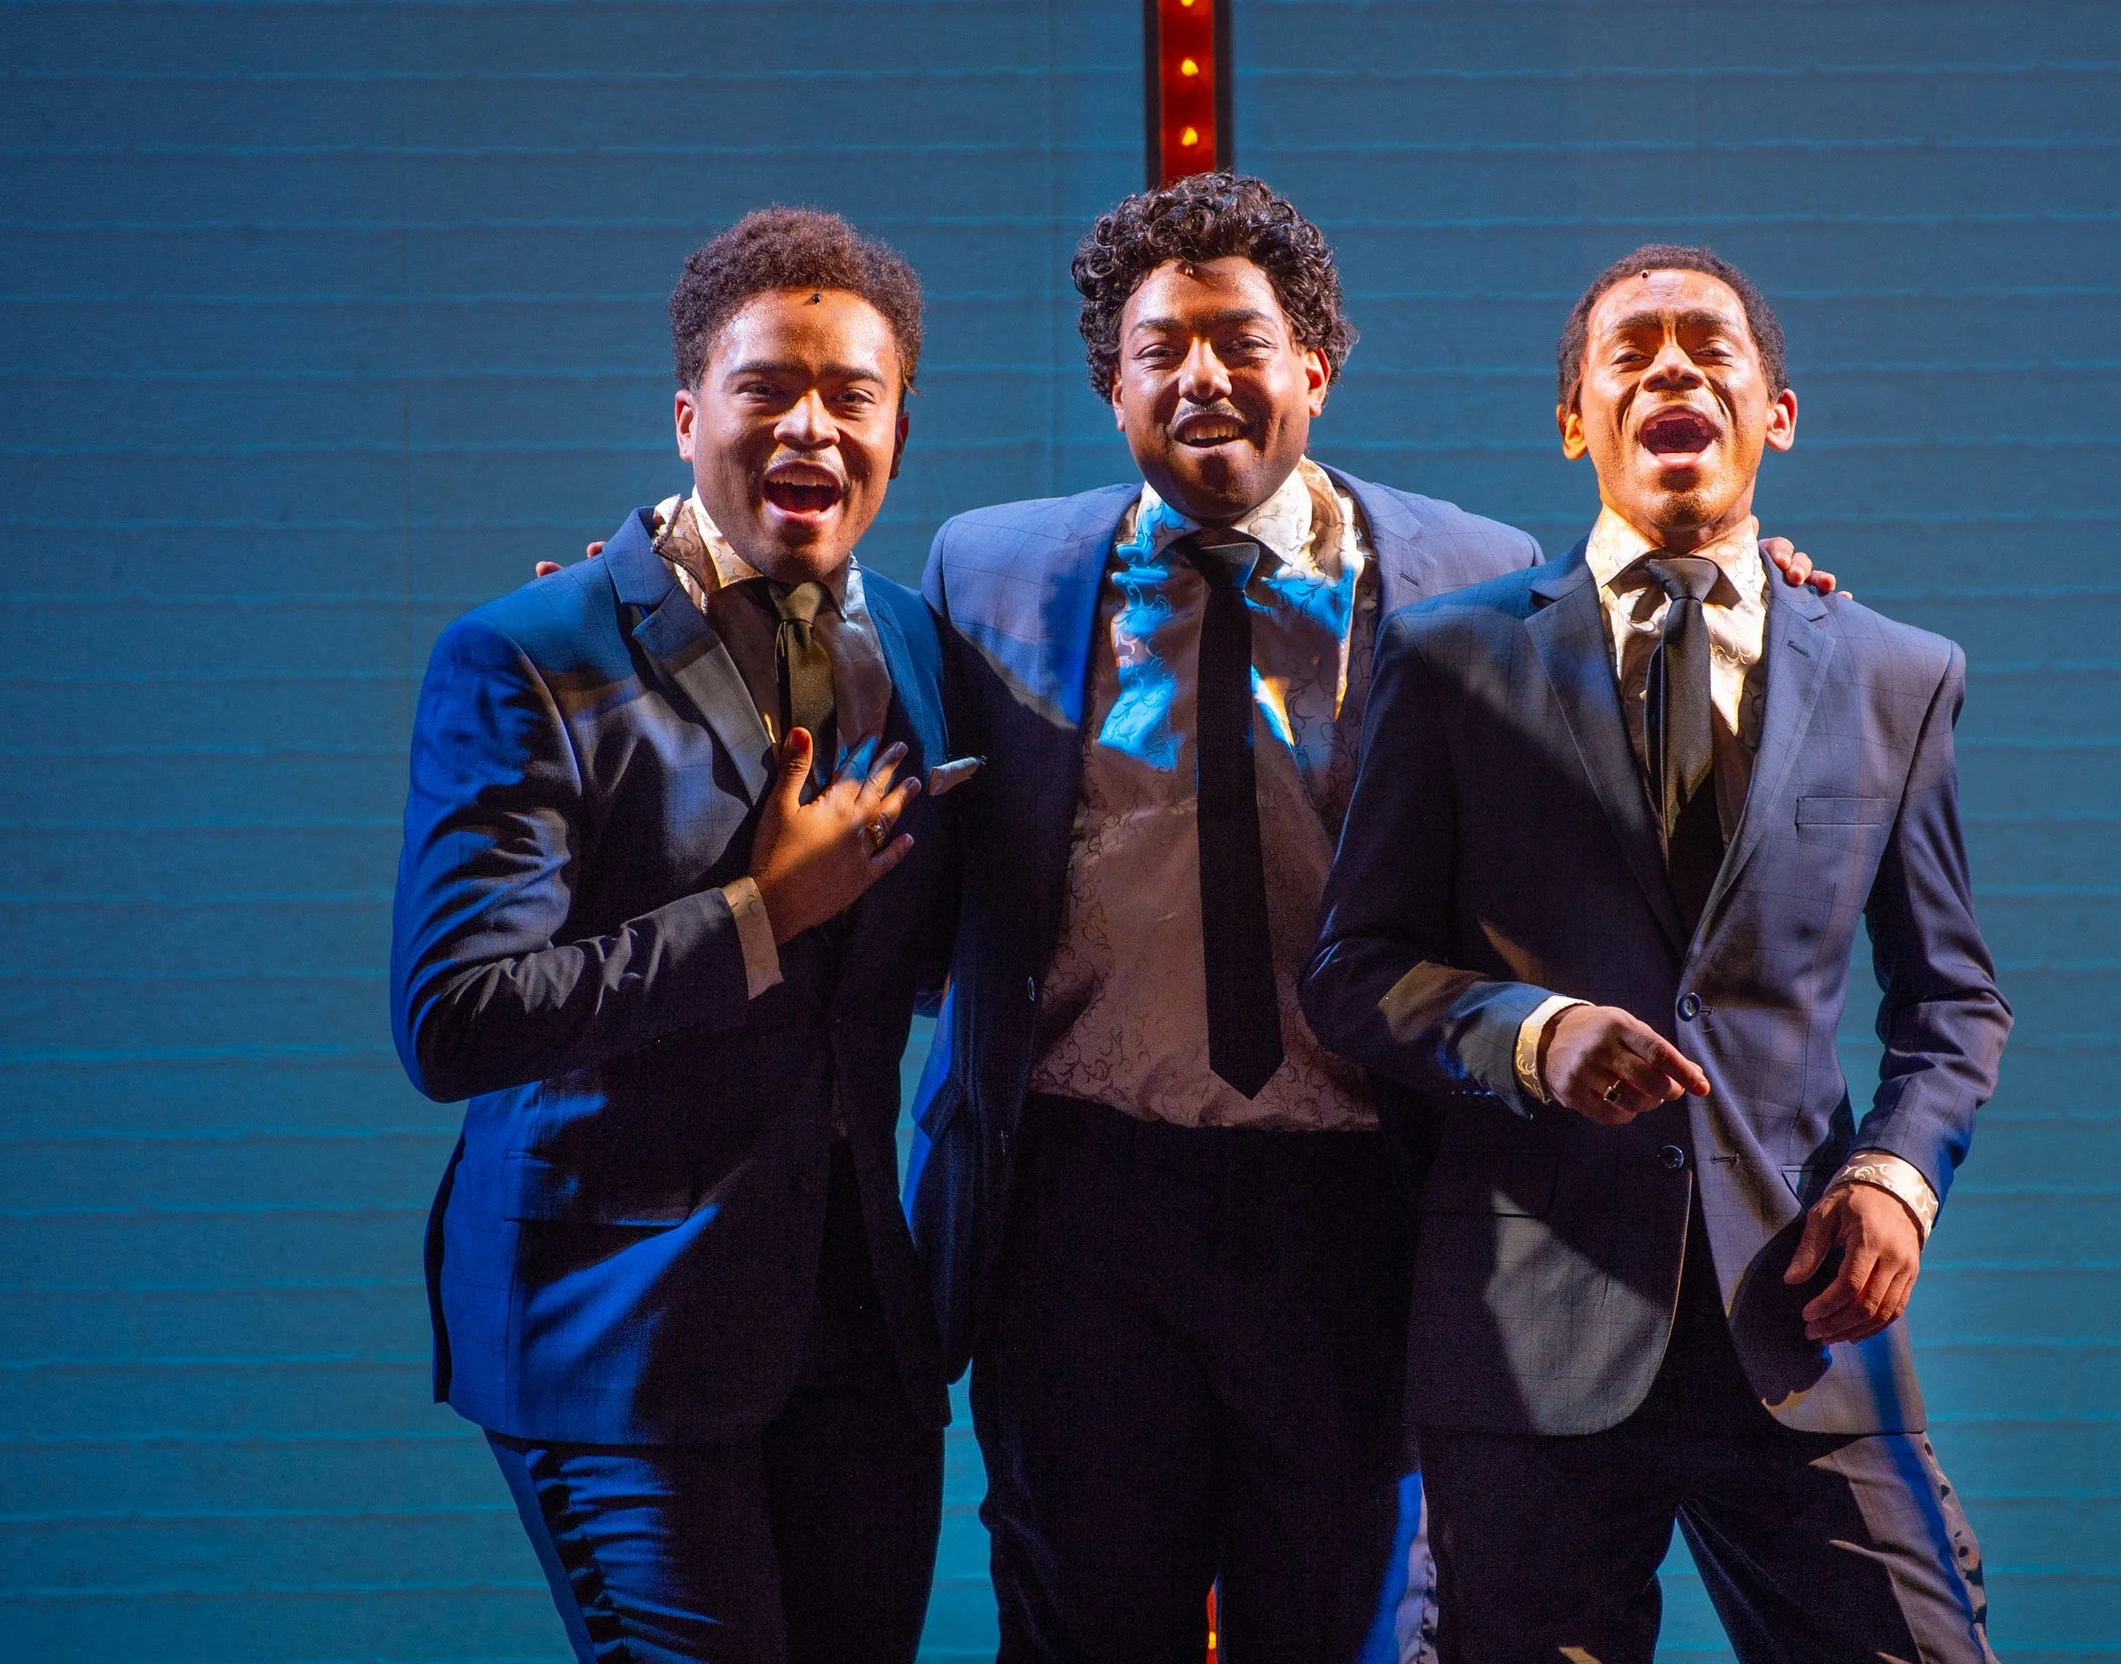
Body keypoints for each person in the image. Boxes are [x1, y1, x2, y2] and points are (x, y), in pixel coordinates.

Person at [904, 179, 1829, 1663]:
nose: (1202, 376)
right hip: (1080, 1209)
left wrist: (1767, 589)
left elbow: (1646, 644)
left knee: (1346, 1629)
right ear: (1112, 387)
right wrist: (646, 612)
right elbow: (838, 678)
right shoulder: (987, 570)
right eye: (1160, 349)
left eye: (1241, 340)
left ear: (1315, 370)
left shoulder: (1472, 571)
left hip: (1359, 1203)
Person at [1302, 244, 2012, 1664]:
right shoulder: (1449, 660)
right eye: (1629, 353)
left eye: (1708, 346)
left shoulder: (1897, 673)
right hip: (1528, 1331)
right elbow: (1354, 969)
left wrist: (1896, 1178)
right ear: (1576, 421)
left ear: (1777, 413)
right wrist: (1528, 1034)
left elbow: (1953, 1001)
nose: (1671, 365)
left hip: (1801, 1319)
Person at [390, 207, 964, 1664]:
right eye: (766, 387)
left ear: (898, 430)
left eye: (852, 395)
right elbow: (454, 1016)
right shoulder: (529, 652)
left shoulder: (915, 643)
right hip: (618, 1331)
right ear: (689, 414)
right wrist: (759, 915)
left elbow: (926, 957)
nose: (810, 427)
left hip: (857, 1339)